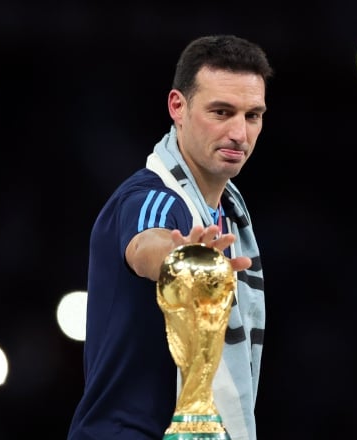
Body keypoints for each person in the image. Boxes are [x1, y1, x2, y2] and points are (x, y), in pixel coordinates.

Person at [66, 34, 273, 440]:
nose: (239, 133)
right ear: (178, 106)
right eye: (221, 112)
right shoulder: (153, 197)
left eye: (252, 116)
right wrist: (185, 256)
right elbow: (147, 246)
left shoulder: (227, 217)